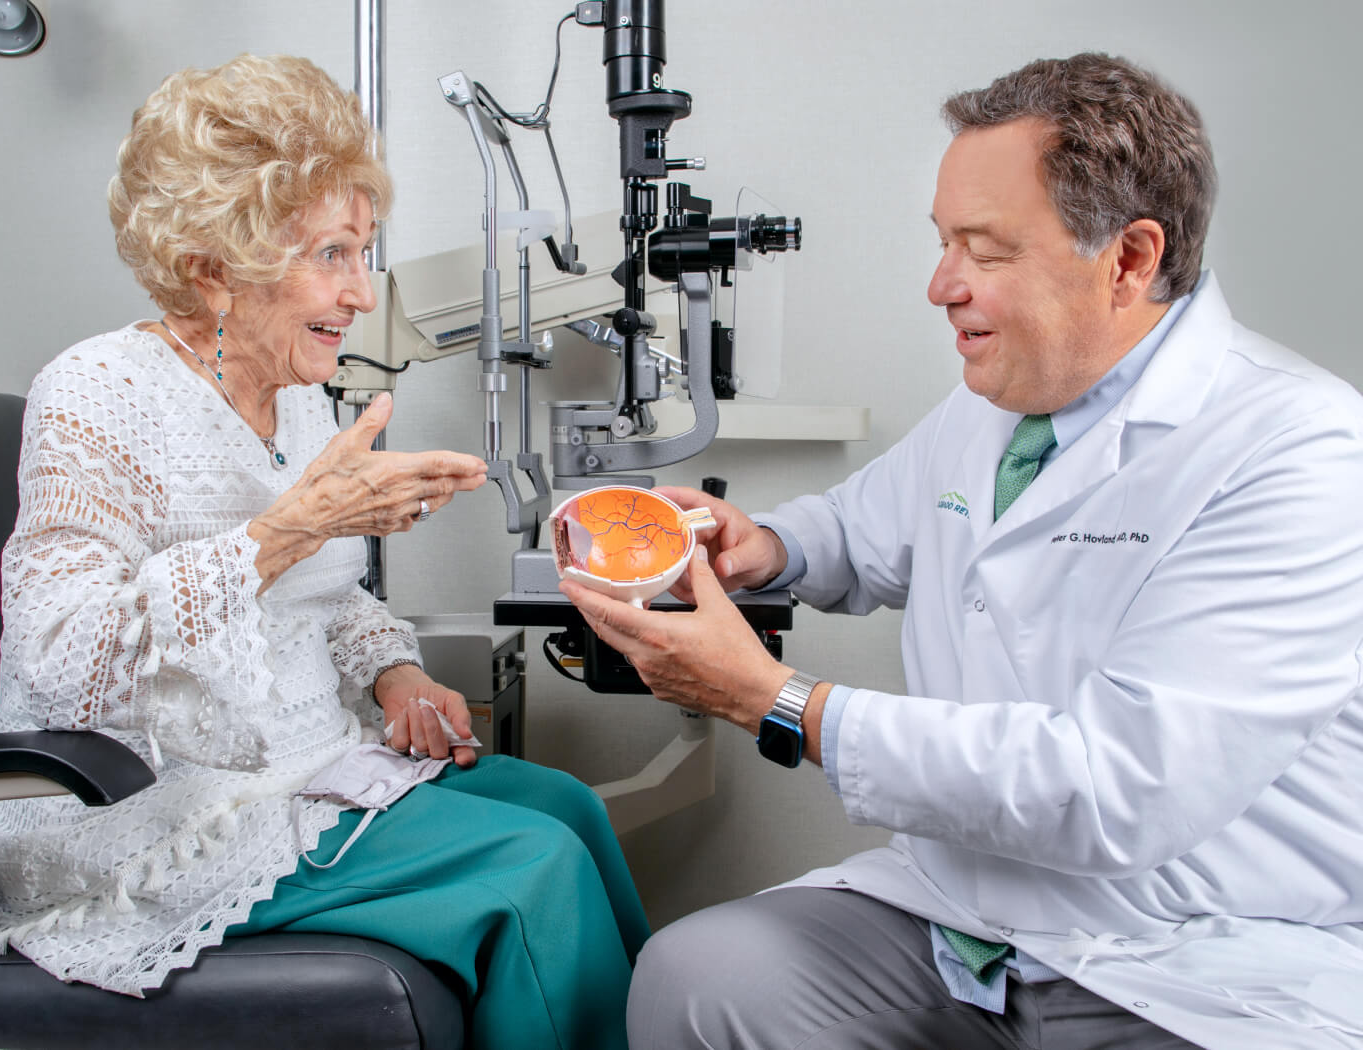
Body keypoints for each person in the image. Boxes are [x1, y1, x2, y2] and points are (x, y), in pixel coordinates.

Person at [561, 52, 1363, 1050]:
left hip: (1189, 952)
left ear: (1127, 258)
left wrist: (773, 698)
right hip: (960, 914)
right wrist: (764, 546)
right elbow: (863, 530)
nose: (940, 285)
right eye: (943, 243)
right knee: (698, 977)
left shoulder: (1299, 450)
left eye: (982, 250)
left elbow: (1114, 791)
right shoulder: (999, 399)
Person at [0, 53, 649, 1050]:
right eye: (331, 254)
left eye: (362, 251)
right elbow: (62, 662)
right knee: (529, 866)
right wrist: (294, 525)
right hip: (157, 817)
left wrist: (397, 675)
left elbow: (327, 601)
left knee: (563, 808)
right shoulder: (96, 393)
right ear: (213, 263)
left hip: (309, 766)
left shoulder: (295, 400)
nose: (358, 289)